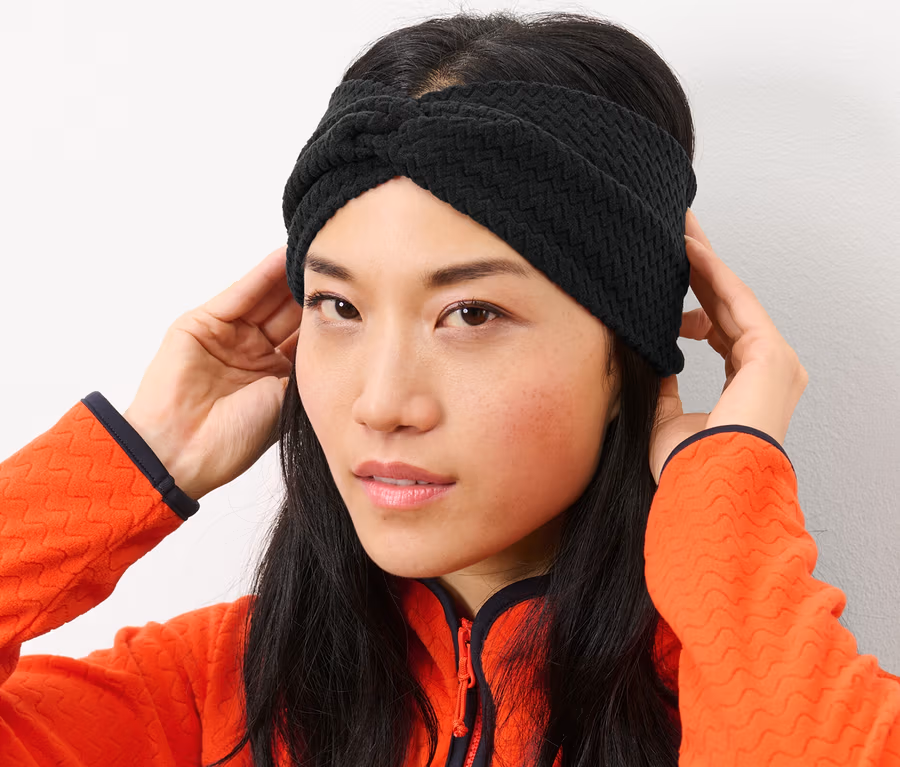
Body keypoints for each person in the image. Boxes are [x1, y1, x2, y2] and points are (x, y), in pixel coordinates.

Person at [1, 9, 898, 767]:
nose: (381, 402)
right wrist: (141, 455)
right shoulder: (213, 695)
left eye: (470, 313)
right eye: (339, 306)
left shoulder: (742, 686)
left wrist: (727, 491)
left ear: (625, 354)